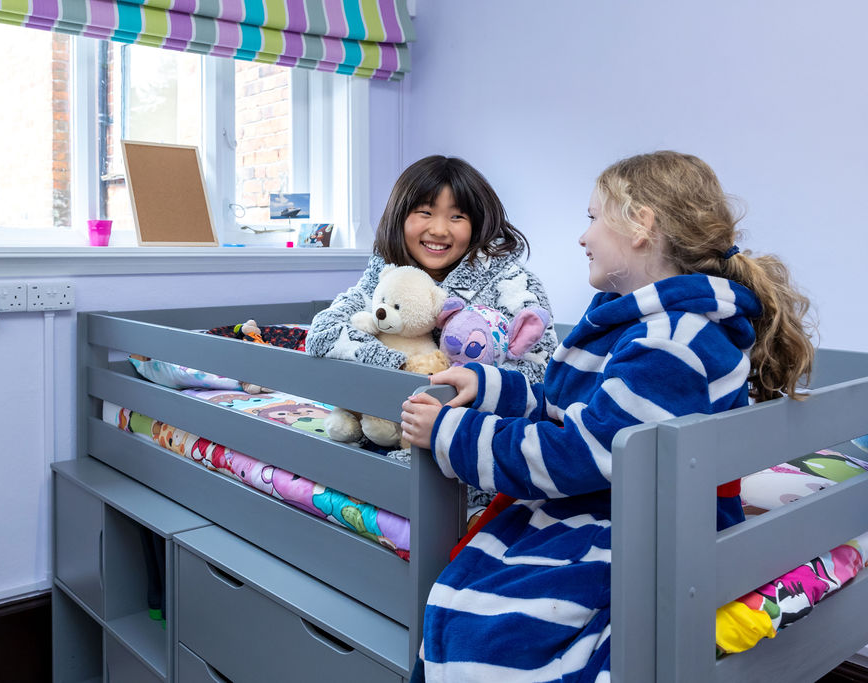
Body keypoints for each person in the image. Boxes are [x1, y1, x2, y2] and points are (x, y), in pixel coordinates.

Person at [400, 150, 815, 682]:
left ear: (641, 226)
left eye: (593, 218)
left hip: (641, 520)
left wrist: (454, 435)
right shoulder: (637, 324)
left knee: (488, 628)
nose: (583, 236)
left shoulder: (674, 341)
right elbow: (569, 403)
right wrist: (489, 387)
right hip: (616, 494)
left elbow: (582, 452)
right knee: (471, 602)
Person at [306, 154, 558, 517]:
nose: (439, 229)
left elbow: (542, 377)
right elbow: (323, 335)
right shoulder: (384, 276)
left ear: (477, 223)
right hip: (390, 431)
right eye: (424, 212)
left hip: (474, 448)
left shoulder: (513, 284)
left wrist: (474, 382)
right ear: (400, 217)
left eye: (457, 216)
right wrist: (403, 366)